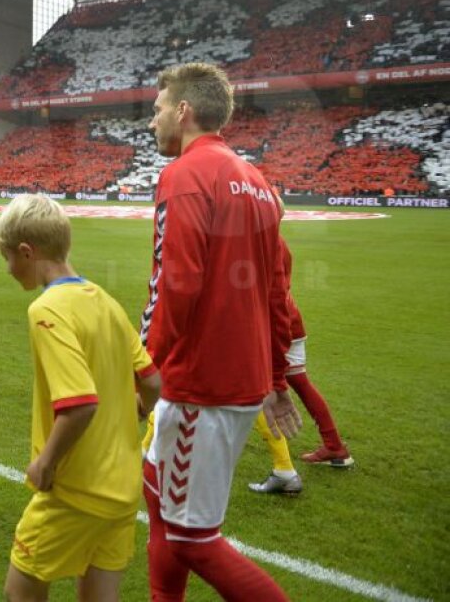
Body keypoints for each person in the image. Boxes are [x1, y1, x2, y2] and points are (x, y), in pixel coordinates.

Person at [139, 63, 300, 602]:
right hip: (240, 379)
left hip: (200, 384)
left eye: (158, 109)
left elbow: (175, 281)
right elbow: (278, 292)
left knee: (193, 539)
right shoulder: (257, 183)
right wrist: (277, 377)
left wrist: (144, 367)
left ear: (183, 111)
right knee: (156, 491)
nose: (152, 120)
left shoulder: (185, 174)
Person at [0, 194, 161, 602]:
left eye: (8, 259)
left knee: (21, 592)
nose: (9, 269)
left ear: (26, 252)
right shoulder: (105, 302)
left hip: (74, 491)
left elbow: (80, 403)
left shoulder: (47, 309)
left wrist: (45, 462)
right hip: (122, 487)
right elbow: (153, 383)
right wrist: (135, 410)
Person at [248, 232, 354, 495]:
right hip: (286, 320)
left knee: (260, 390)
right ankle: (334, 446)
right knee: (298, 384)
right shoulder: (275, 240)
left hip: (278, 325)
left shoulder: (263, 241)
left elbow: (270, 293)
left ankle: (285, 467)